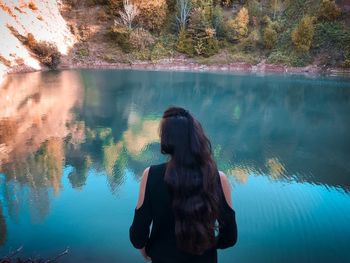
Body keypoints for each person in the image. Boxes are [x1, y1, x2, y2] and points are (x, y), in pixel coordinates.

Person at [129, 107, 237, 263]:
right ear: (197, 138)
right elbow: (230, 238)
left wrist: (146, 249)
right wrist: (207, 245)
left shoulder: (150, 175)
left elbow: (138, 237)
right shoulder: (219, 179)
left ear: (166, 139)